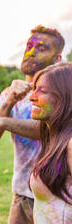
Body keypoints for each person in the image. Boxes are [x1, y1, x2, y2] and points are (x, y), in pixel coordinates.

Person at [0, 25, 64, 223]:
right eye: (29, 45)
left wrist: (0, 121)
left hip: (58, 195)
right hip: (22, 194)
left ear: (57, 59)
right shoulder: (9, 94)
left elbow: (48, 131)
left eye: (41, 48)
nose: (31, 52)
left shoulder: (64, 91)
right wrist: (8, 101)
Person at [28, 62, 72, 223]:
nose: (32, 97)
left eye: (42, 91)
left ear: (66, 97)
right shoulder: (54, 138)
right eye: (34, 89)